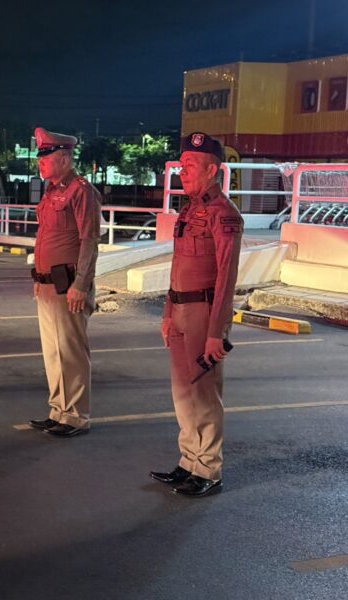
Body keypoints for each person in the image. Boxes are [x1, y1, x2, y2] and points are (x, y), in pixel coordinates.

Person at [150, 132, 243, 497]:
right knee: (183, 393)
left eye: (190, 165)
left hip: (204, 314)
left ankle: (208, 469)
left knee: (204, 395)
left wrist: (217, 331)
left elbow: (226, 278)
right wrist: (167, 313)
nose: (182, 171)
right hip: (180, 310)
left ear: (212, 170)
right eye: (182, 164)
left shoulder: (224, 215)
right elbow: (177, 267)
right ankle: (189, 460)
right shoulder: (189, 211)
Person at [28, 127, 101, 438]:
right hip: (48, 285)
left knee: (70, 352)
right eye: (40, 158)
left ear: (64, 158)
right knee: (53, 353)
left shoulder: (81, 191)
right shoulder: (51, 192)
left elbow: (89, 240)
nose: (40, 163)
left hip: (69, 285)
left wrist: (81, 284)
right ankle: (58, 409)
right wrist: (39, 278)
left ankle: (76, 416)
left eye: (45, 158)